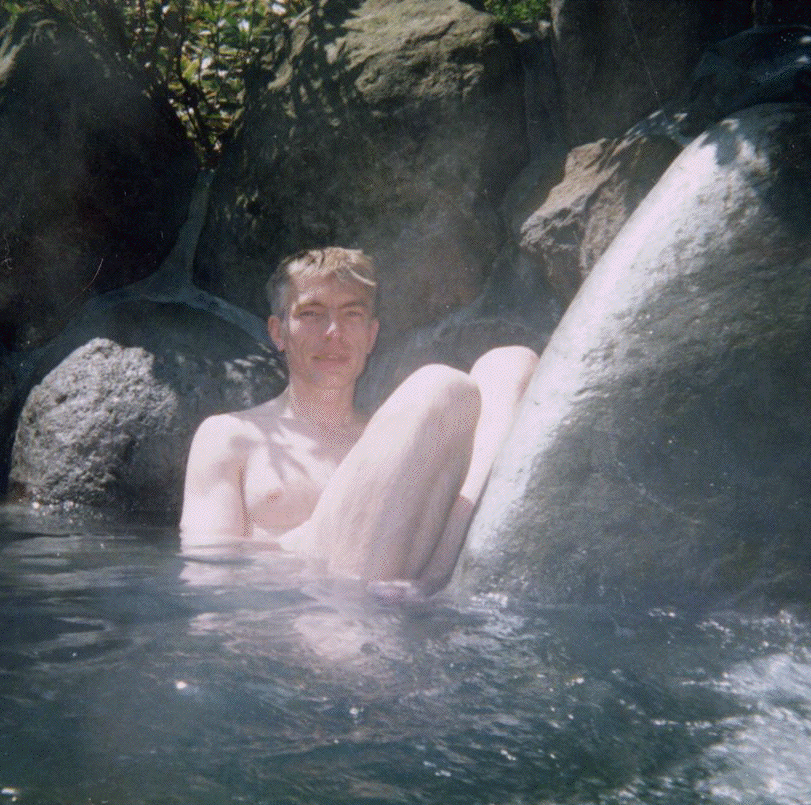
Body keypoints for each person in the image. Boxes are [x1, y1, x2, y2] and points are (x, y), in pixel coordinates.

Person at [180, 247, 538, 595]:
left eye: (352, 315)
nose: (334, 332)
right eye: (311, 313)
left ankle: (444, 588)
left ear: (371, 336)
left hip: (416, 583)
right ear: (278, 332)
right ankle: (353, 622)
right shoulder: (231, 436)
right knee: (441, 387)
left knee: (512, 365)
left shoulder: (401, 440)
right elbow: (209, 573)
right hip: (299, 605)